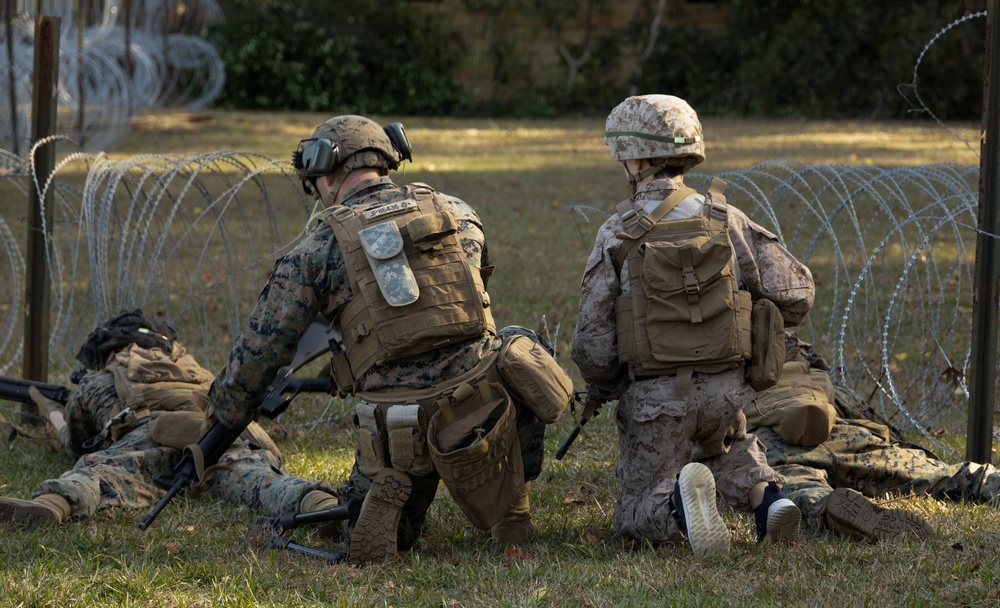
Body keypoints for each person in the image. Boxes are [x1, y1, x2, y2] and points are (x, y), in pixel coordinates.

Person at [203, 115, 570, 565]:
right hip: (480, 413)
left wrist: (219, 419)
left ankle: (378, 506)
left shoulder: (314, 250)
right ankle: (511, 506)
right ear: (387, 157)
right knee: (517, 345)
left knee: (354, 513)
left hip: (398, 426)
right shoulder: (457, 212)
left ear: (329, 173)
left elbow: (258, 358)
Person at [571, 94, 815, 558]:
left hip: (657, 401)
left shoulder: (617, 232)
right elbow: (797, 291)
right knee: (729, 452)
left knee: (637, 508)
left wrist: (609, 383)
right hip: (727, 394)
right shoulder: (725, 218)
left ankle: (679, 510)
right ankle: (768, 500)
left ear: (636, 157)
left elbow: (593, 343)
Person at [0, 310, 342, 529]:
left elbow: (75, 441)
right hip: (224, 432)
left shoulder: (105, 377)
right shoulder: (193, 370)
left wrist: (55, 417)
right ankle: (322, 506)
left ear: (109, 354)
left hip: (154, 434)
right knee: (261, 481)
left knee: (100, 471)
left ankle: (49, 506)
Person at [748, 331, 997, 540]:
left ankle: (827, 507)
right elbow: (854, 405)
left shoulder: (723, 376)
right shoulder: (807, 372)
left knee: (798, 488)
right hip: (840, 431)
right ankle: (983, 480)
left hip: (770, 444)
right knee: (932, 473)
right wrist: (893, 442)